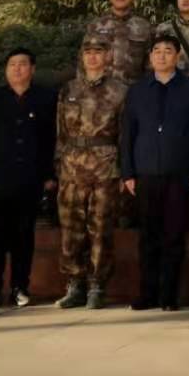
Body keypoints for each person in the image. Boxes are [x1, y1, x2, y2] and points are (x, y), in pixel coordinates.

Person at [119, 34, 189, 311]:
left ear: (177, 56)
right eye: (156, 51)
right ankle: (148, 293)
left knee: (174, 235)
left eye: (168, 51)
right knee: (148, 237)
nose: (161, 55)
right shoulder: (137, 90)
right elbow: (128, 134)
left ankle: (169, 295)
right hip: (145, 172)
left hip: (179, 172)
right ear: (150, 58)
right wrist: (128, 172)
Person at [0, 47, 57, 309]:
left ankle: (20, 286)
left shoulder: (45, 99)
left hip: (29, 180)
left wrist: (49, 175)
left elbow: (51, 140)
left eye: (23, 64)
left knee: (23, 237)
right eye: (12, 65)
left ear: (32, 69)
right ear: (6, 70)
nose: (17, 69)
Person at [54, 30, 128, 310]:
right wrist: (58, 164)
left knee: (100, 228)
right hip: (71, 167)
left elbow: (124, 134)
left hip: (105, 167)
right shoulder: (68, 89)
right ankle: (74, 284)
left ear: (108, 57)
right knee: (71, 229)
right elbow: (59, 132)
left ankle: (97, 285)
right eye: (88, 52)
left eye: (99, 52)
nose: (93, 57)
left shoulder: (120, 91)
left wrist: (123, 169)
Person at [84, 0, 153, 83]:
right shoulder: (96, 26)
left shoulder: (144, 26)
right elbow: (83, 61)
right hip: (101, 92)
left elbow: (151, 65)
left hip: (132, 91)